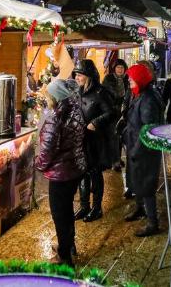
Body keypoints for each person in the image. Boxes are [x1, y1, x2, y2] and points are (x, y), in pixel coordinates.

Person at [34, 79, 86, 267]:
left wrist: (39, 164)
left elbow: (48, 149)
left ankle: (64, 256)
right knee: (67, 210)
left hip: (61, 173)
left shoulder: (57, 116)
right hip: (75, 167)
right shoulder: (75, 109)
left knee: (60, 214)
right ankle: (69, 245)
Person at [123, 62, 164, 237]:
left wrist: (136, 150)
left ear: (140, 79)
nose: (129, 81)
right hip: (135, 145)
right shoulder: (139, 94)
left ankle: (152, 222)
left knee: (146, 185)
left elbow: (148, 127)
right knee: (137, 181)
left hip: (144, 149)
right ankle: (140, 209)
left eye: (132, 78)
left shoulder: (148, 99)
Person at [72, 60, 116, 222]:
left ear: (89, 76)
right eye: (76, 74)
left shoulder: (101, 92)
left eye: (80, 75)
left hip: (96, 140)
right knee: (82, 172)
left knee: (95, 172)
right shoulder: (77, 92)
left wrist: (95, 123)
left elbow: (111, 112)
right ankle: (84, 206)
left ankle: (97, 208)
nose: (77, 77)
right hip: (80, 138)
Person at [102, 59, 131, 173]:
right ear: (114, 68)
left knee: (120, 137)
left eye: (122, 68)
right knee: (113, 136)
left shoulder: (127, 79)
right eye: (118, 67)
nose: (120, 70)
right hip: (112, 111)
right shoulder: (108, 79)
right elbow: (104, 95)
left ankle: (117, 158)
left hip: (123, 112)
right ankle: (114, 162)